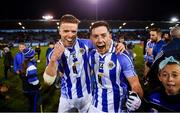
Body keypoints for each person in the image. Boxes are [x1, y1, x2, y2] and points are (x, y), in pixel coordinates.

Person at [43, 14, 125, 113]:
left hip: (87, 96)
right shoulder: (54, 52)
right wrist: (53, 60)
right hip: (67, 99)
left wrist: (118, 44)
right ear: (59, 31)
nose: (70, 35)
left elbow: (104, 41)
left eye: (73, 31)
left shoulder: (86, 44)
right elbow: (48, 81)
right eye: (66, 31)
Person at [88, 21, 143, 113]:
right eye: (96, 36)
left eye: (103, 35)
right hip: (95, 107)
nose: (100, 40)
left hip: (118, 109)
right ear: (91, 38)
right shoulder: (91, 55)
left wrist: (137, 99)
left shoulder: (122, 56)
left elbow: (136, 86)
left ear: (110, 36)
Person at [146, 26, 180, 90]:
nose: (151, 37)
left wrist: (149, 76)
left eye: (153, 35)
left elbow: (155, 64)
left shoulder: (165, 47)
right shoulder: (163, 46)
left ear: (171, 36)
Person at [20, 47, 41, 112]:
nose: (35, 56)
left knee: (30, 104)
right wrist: (39, 86)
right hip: (31, 90)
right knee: (33, 106)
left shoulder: (24, 63)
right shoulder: (31, 67)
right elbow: (34, 81)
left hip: (25, 89)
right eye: (34, 55)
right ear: (31, 56)